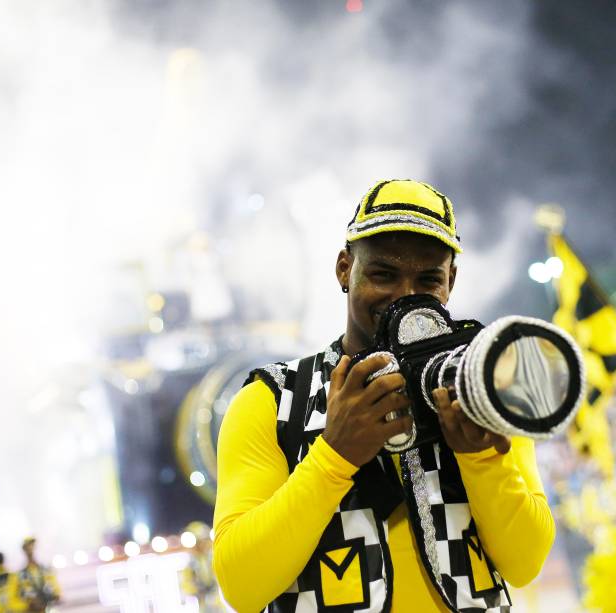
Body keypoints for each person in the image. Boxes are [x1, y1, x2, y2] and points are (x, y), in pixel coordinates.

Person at [213, 179, 555, 612]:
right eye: (383, 274)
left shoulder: (478, 385)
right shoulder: (272, 399)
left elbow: (525, 562)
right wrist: (333, 457)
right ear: (344, 269)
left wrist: (483, 461)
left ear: (450, 281)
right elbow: (241, 585)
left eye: (428, 279)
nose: (405, 297)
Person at [181, 521, 219, 612]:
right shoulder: (191, 563)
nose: (202, 545)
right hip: (204, 603)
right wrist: (196, 590)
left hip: (219, 600)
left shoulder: (214, 556)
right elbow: (186, 584)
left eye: (203, 541)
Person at [16, 537, 60, 612]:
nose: (30, 549)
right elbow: (19, 594)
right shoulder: (21, 574)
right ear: (24, 550)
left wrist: (56, 595)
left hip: (47, 607)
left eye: (32, 545)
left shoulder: (44, 569)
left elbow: (55, 587)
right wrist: (28, 604)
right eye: (28, 546)